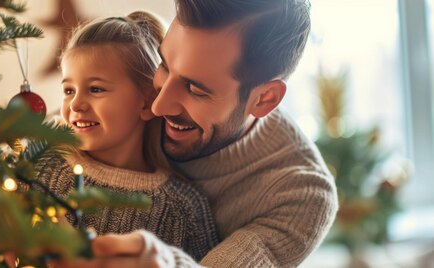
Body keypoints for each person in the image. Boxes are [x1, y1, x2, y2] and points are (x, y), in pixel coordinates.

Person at [53, 0, 339, 267]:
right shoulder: (140, 99)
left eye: (196, 90)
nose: (159, 103)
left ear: (265, 99)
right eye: (163, 66)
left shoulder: (300, 196)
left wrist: (165, 261)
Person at [35, 11, 219, 261]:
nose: (75, 104)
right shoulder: (41, 165)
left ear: (147, 102)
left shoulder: (182, 209)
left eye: (95, 89)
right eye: (69, 90)